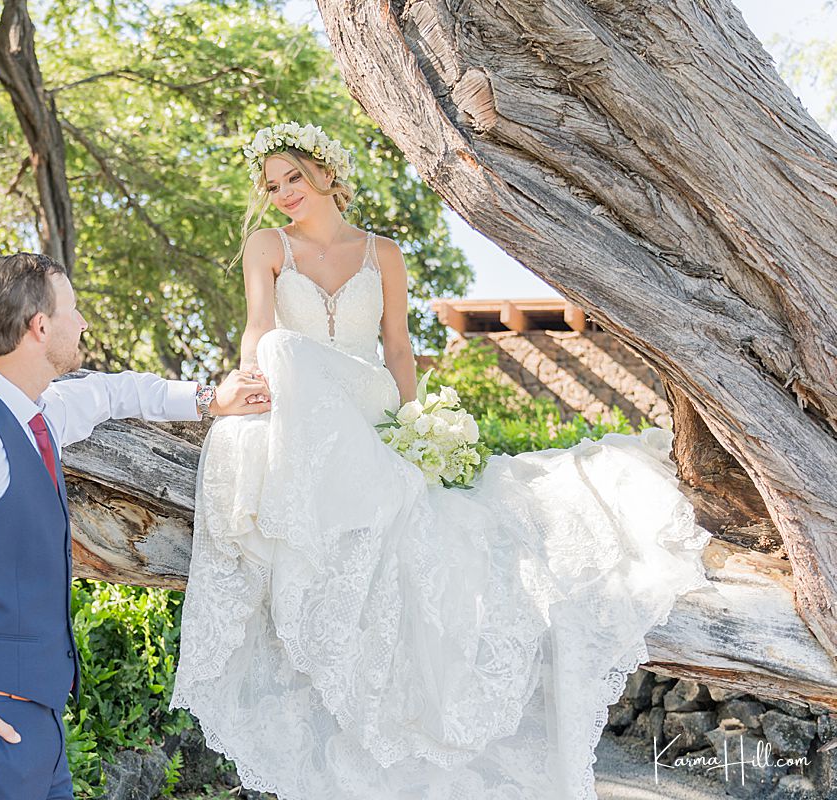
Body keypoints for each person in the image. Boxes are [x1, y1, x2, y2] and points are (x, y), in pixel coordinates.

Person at [168, 122, 715, 799]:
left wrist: (410, 427)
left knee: (306, 367)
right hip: (302, 399)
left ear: (327, 175)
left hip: (367, 401)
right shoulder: (266, 245)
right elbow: (259, 327)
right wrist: (248, 376)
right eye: (272, 185)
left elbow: (397, 348)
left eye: (293, 180)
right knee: (281, 351)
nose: (282, 195)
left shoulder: (383, 254)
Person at [0, 252, 271, 799]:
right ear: (39, 326)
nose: (82, 323)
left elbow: (111, 393)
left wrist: (208, 399)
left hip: (38, 731)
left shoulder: (37, 413)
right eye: (73, 311)